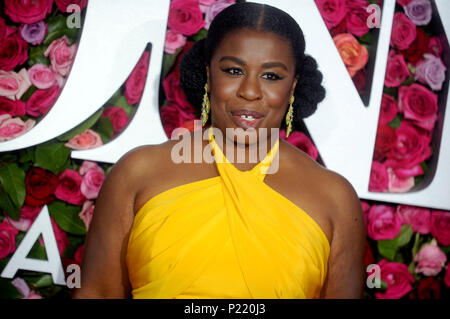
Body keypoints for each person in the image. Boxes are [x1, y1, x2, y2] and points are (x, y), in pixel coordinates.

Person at [73, 2, 366, 299]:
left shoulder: (335, 200)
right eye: (234, 70)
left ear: (293, 87)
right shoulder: (137, 172)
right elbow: (96, 293)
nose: (250, 91)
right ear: (209, 75)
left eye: (271, 76)